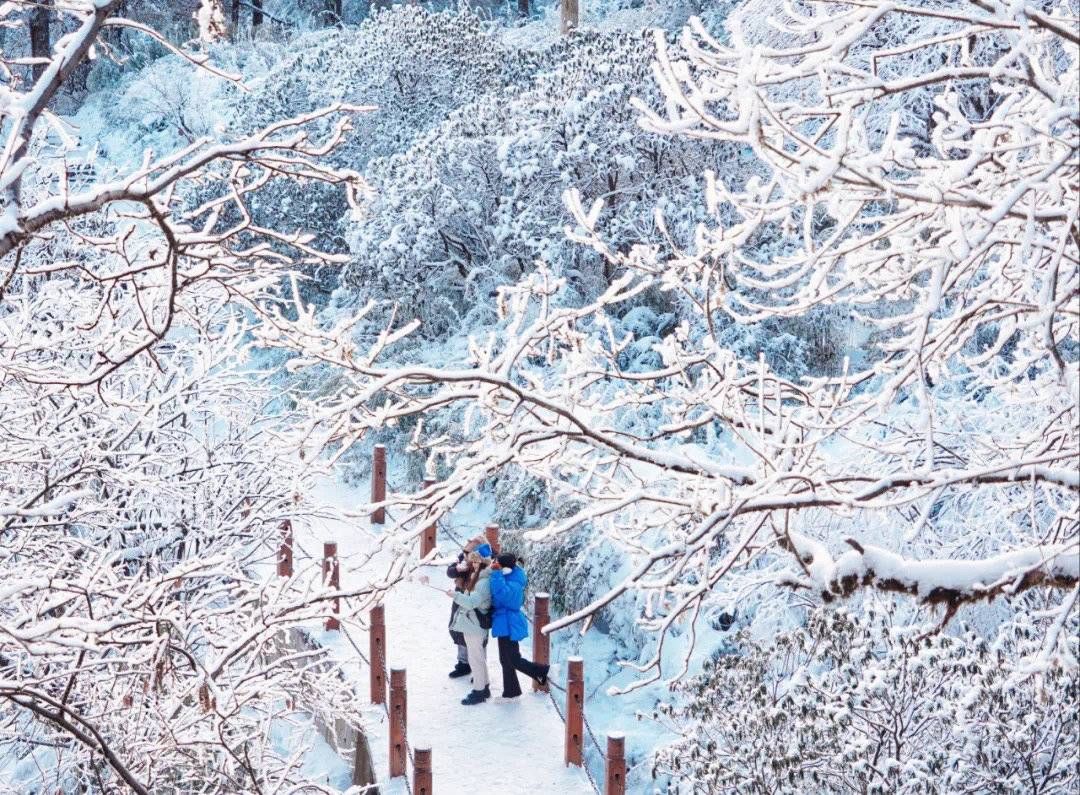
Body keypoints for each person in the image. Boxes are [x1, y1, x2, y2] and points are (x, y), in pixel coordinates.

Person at [488, 552, 549, 698]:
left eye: (500, 567)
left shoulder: (515, 582)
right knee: (505, 659)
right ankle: (511, 690)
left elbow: (502, 595)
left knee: (513, 658)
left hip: (510, 623)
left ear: (507, 568)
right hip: (503, 622)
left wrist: (496, 575)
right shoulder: (508, 576)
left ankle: (541, 670)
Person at [449, 550, 493, 705]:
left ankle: (479, 691)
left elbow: (471, 602)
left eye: (477, 561)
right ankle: (484, 687)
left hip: (475, 624)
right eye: (472, 561)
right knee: (478, 657)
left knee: (475, 659)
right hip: (472, 623)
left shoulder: (482, 582)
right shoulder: (479, 578)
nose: (473, 564)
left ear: (483, 563)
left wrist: (455, 595)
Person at [446, 537, 492, 678]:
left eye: (469, 551)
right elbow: (450, 571)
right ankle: (463, 663)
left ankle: (479, 669)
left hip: (479, 598)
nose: (466, 554)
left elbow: (492, 569)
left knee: (478, 635)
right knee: (459, 628)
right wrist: (459, 569)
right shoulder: (464, 557)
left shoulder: (487, 554)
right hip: (462, 594)